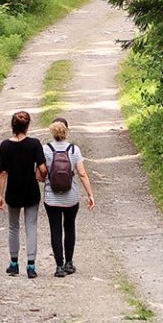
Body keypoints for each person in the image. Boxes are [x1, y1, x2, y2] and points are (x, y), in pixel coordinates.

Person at [0, 110, 46, 278]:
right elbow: (43, 168)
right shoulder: (34, 144)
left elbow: (3, 173)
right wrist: (40, 176)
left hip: (13, 191)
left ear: (13, 125)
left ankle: (13, 263)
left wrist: (0, 195)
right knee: (31, 226)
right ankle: (31, 265)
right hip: (31, 191)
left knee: (13, 227)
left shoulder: (5, 145)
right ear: (28, 126)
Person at [42, 116, 94, 277]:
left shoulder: (46, 149)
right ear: (66, 131)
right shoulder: (74, 150)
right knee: (69, 227)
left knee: (55, 230)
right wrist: (90, 194)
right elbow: (82, 174)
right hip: (70, 197)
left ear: (52, 131)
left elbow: (41, 172)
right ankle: (69, 263)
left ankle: (59, 266)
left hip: (51, 198)